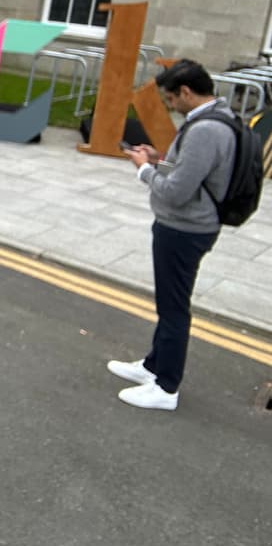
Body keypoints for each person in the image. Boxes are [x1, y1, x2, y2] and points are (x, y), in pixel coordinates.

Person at [110, 59, 235, 411]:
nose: (171, 107)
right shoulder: (217, 118)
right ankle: (153, 366)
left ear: (186, 92)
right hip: (190, 224)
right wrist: (160, 160)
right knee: (169, 303)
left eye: (171, 100)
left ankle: (166, 388)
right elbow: (192, 175)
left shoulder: (205, 130)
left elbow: (177, 191)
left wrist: (144, 170)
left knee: (174, 307)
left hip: (184, 228)